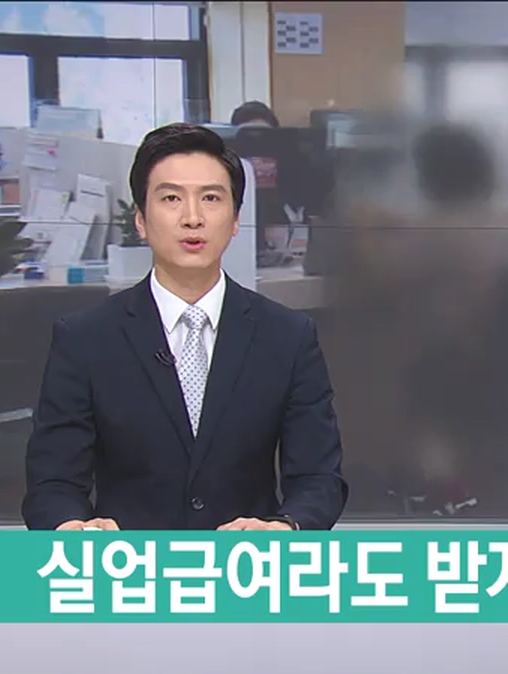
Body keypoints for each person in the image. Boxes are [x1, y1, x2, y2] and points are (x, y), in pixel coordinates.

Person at [21, 123, 348, 530]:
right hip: (126, 563)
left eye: (211, 198)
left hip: (245, 562)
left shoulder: (288, 337)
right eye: (171, 198)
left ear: (235, 220)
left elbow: (319, 478)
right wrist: (71, 526)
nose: (192, 218)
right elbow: (53, 482)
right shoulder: (85, 339)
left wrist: (285, 525)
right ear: (140, 220)